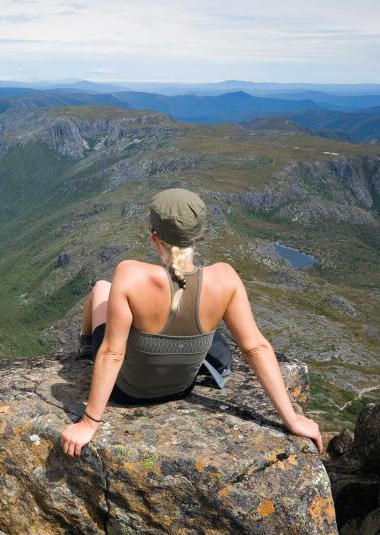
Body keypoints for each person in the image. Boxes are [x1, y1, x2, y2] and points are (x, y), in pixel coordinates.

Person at [60, 188, 324, 458]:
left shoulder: (130, 275)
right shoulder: (226, 279)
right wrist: (291, 419)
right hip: (180, 389)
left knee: (102, 288)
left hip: (127, 392)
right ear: (198, 236)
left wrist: (89, 422)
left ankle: (83, 347)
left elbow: (113, 353)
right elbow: (256, 348)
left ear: (154, 237)